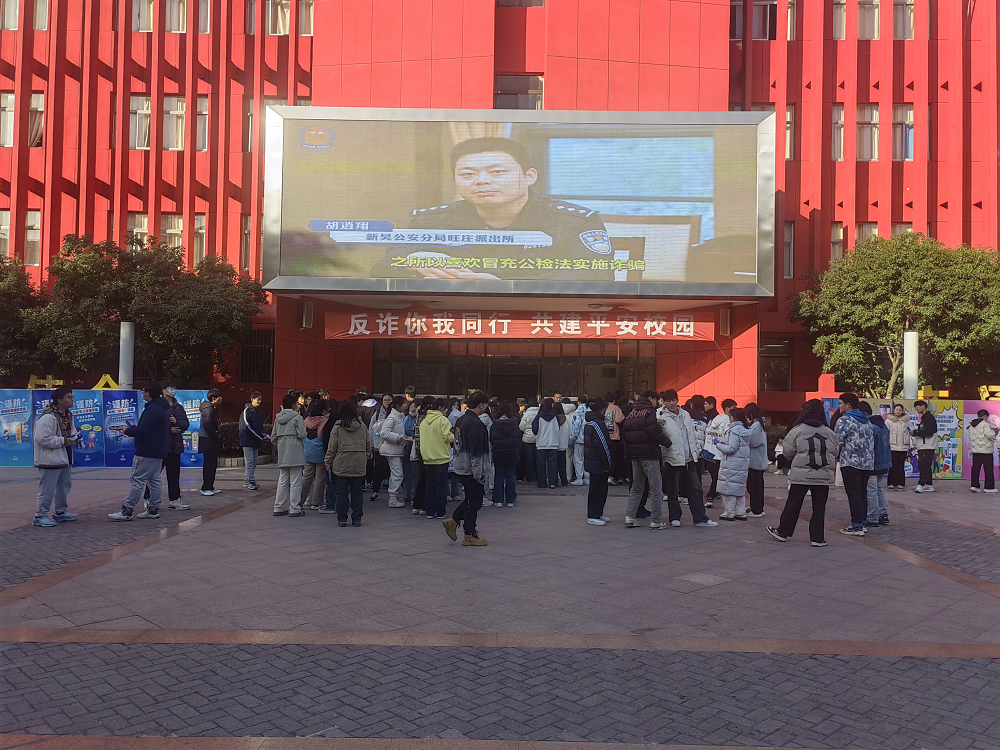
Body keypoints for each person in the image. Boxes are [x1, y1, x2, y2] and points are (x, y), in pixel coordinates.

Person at [382, 136, 612, 282]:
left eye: (497, 172)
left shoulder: (574, 221)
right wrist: (414, 258)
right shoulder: (432, 220)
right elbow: (382, 268)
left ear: (529, 176)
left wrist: (506, 287)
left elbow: (597, 274)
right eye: (468, 174)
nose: (481, 181)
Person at [766, 399, 839, 546]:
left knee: (793, 503)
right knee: (819, 507)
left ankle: (783, 532)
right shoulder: (829, 432)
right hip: (823, 475)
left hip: (801, 474)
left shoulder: (797, 430)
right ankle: (817, 538)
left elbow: (788, 452)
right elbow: (836, 451)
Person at [108, 383, 172, 521]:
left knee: (137, 480)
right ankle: (153, 509)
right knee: (154, 480)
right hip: (158, 450)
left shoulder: (152, 409)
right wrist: (137, 428)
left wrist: (128, 430)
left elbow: (144, 431)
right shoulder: (163, 407)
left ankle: (127, 510)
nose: (142, 393)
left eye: (143, 391)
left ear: (148, 393)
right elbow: (150, 428)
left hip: (146, 450)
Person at [658, 389, 717, 528]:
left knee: (696, 489)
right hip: (671, 457)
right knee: (673, 490)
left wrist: (697, 451)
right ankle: (674, 517)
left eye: (673, 400)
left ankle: (700, 518)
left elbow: (691, 435)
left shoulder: (685, 414)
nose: (671, 403)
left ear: (677, 400)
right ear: (664, 402)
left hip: (689, 457)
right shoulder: (659, 416)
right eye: (668, 401)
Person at [444, 391, 490, 546]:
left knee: (472, 498)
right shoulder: (475, 423)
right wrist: (478, 472)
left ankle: (453, 521)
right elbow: (476, 450)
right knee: (474, 501)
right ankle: (469, 534)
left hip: (461, 464)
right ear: (481, 405)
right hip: (471, 468)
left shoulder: (461, 420)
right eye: (485, 404)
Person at [622, 390, 672, 529]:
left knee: (636, 488)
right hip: (649, 455)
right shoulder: (649, 412)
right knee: (656, 488)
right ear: (651, 398)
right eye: (656, 400)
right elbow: (654, 432)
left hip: (634, 456)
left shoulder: (631, 413)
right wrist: (667, 443)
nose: (656, 403)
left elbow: (625, 435)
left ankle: (630, 517)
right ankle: (656, 521)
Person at [32, 387, 81, 527]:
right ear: (59, 400)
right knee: (47, 489)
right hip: (50, 459)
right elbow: (42, 438)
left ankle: (61, 512)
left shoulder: (68, 415)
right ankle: (40, 516)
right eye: (68, 397)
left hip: (65, 457)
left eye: (72, 397)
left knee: (64, 487)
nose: (72, 399)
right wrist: (64, 441)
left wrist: (75, 437)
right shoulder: (48, 418)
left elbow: (71, 431)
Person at [834, 392, 876, 535]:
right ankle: (862, 523)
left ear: (848, 405)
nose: (839, 406)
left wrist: (835, 455)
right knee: (862, 492)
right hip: (867, 463)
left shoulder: (845, 420)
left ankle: (856, 526)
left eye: (840, 403)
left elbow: (837, 441)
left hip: (850, 462)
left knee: (853, 494)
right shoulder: (866, 420)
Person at [324, 399, 370, 526]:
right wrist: (365, 457)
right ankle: (357, 519)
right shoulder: (362, 426)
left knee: (341, 493)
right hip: (359, 464)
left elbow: (332, 447)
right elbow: (368, 444)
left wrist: (328, 461)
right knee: (357, 492)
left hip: (341, 463)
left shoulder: (338, 427)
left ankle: (342, 519)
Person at [714, 407, 752, 522]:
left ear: (735, 418)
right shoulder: (745, 430)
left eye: (730, 416)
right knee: (739, 489)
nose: (729, 418)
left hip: (731, 464)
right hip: (741, 464)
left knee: (728, 490)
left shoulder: (734, 431)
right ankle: (740, 512)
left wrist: (718, 445)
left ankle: (729, 513)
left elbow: (731, 449)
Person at [272, 393, 307, 517]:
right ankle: (294, 508)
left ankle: (278, 507)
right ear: (293, 405)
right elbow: (302, 434)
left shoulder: (277, 418)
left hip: (283, 451)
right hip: (295, 451)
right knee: (295, 481)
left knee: (282, 480)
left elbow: (273, 438)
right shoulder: (297, 417)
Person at [420, 398, 455, 519]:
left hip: (427, 458)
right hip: (441, 457)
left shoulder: (424, 421)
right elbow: (447, 436)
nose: (447, 412)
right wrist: (454, 435)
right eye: (446, 409)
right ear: (440, 408)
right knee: (441, 485)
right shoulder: (443, 420)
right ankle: (440, 511)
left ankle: (429, 511)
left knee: (430, 485)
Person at [582, 397, 613, 525]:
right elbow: (603, 446)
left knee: (599, 489)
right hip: (598, 463)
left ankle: (598, 513)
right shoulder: (598, 424)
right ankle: (593, 515)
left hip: (593, 461)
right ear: (602, 409)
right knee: (597, 489)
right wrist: (607, 464)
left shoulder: (590, 422)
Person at [862, 402, 892, 527]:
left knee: (871, 489)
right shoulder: (882, 425)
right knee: (878, 488)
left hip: (873, 462)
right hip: (883, 462)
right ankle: (883, 514)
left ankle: (872, 517)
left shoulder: (871, 427)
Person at [378, 395, 410, 508]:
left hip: (395, 450)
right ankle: (392, 498)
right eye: (404, 403)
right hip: (392, 451)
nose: (406, 405)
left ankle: (393, 497)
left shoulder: (399, 417)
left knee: (395, 474)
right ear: (398, 405)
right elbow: (384, 433)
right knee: (398, 474)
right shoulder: (392, 418)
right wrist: (399, 438)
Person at [162, 386, 190, 510]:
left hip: (175, 447)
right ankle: (149, 499)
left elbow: (185, 424)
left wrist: (177, 421)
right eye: (170, 388)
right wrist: (169, 429)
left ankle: (175, 499)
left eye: (174, 388)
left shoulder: (178, 407)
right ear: (163, 390)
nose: (173, 390)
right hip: (161, 446)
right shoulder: (159, 406)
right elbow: (154, 425)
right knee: (153, 475)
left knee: (174, 475)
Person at [703, 399, 736, 501]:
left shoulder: (713, 419)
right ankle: (711, 496)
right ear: (727, 408)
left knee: (715, 476)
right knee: (717, 476)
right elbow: (728, 438)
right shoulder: (727, 422)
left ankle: (713, 493)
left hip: (707, 451)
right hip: (717, 453)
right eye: (733, 408)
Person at [489, 401, 520, 507]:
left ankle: (498, 500)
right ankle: (510, 500)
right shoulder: (514, 424)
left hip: (498, 454)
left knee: (499, 477)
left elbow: (492, 438)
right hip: (512, 454)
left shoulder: (495, 424)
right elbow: (518, 438)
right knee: (511, 477)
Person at [301, 399, 330, 511]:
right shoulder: (325, 421)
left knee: (306, 477)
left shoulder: (306, 420)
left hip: (308, 452)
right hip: (320, 453)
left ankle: (299, 501)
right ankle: (316, 502)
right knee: (320, 478)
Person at [239, 391, 268, 491]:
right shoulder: (247, 411)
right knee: (250, 462)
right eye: (257, 399)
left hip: (256, 440)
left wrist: (262, 434)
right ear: (252, 399)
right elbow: (246, 427)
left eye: (260, 399)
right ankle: (250, 481)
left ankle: (247, 480)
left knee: (254, 462)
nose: (259, 401)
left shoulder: (260, 412)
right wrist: (259, 436)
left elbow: (260, 426)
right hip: (247, 440)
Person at [368, 393, 395, 501]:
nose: (387, 402)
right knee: (377, 469)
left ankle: (393, 494)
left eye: (389, 400)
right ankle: (375, 491)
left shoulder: (396, 413)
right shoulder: (377, 413)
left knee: (392, 469)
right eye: (385, 400)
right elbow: (371, 429)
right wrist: (371, 444)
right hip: (379, 445)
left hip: (392, 445)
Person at [198, 388, 223, 497]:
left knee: (213, 464)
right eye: (219, 396)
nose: (221, 398)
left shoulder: (213, 408)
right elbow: (207, 425)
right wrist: (215, 434)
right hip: (207, 440)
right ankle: (205, 487)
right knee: (209, 464)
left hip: (211, 440)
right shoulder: (208, 409)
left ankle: (210, 486)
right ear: (214, 398)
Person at [744, 402, 768, 518]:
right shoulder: (758, 423)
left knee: (753, 486)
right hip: (758, 460)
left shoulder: (757, 425)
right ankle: (758, 507)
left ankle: (756, 509)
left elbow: (753, 441)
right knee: (757, 486)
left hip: (755, 461)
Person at [532, 398, 561, 489]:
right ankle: (553, 483)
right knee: (553, 464)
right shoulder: (555, 417)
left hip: (541, 444)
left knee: (541, 464)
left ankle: (542, 483)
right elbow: (558, 428)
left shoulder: (539, 417)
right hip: (553, 443)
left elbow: (535, 430)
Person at [968, 409, 998, 493]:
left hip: (976, 451)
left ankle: (974, 486)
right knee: (988, 469)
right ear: (984, 416)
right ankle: (989, 487)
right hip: (985, 451)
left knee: (975, 468)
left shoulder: (972, 425)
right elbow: (989, 435)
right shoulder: (985, 424)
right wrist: (994, 432)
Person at [912, 400, 938, 493]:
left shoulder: (929, 418)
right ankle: (929, 484)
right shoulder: (925, 418)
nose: (916, 409)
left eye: (917, 407)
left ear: (923, 406)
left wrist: (915, 432)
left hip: (927, 446)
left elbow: (930, 431)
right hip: (924, 445)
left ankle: (921, 484)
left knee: (924, 466)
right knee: (926, 465)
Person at [885, 403, 911, 490]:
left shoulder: (906, 421)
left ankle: (900, 483)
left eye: (900, 410)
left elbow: (911, 431)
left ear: (902, 411)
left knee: (901, 465)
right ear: (893, 410)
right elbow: (885, 433)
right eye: (897, 410)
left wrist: (914, 444)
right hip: (892, 446)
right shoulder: (888, 421)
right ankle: (891, 483)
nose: (898, 411)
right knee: (892, 465)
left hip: (903, 447)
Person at [604, 393, 627, 483]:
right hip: (614, 435)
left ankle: (607, 475)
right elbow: (619, 419)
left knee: (606, 456)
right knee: (615, 457)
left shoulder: (603, 408)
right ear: (614, 400)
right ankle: (613, 476)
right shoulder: (616, 408)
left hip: (605, 435)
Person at [569, 395, 590, 486]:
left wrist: (572, 438)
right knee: (587, 458)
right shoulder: (590, 410)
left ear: (579, 402)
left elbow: (576, 426)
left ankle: (579, 478)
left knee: (578, 458)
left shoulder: (578, 411)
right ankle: (587, 478)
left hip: (579, 439)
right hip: (589, 439)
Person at [519, 397, 540, 483]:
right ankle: (538, 476)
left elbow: (521, 427)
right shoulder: (540, 413)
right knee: (538, 459)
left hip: (527, 440)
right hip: (538, 439)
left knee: (529, 459)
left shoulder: (526, 414)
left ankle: (530, 477)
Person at [554, 401, 570, 486]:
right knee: (562, 464)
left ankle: (554, 480)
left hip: (554, 444)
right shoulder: (565, 419)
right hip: (563, 445)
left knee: (554, 464)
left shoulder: (553, 419)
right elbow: (569, 431)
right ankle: (564, 481)